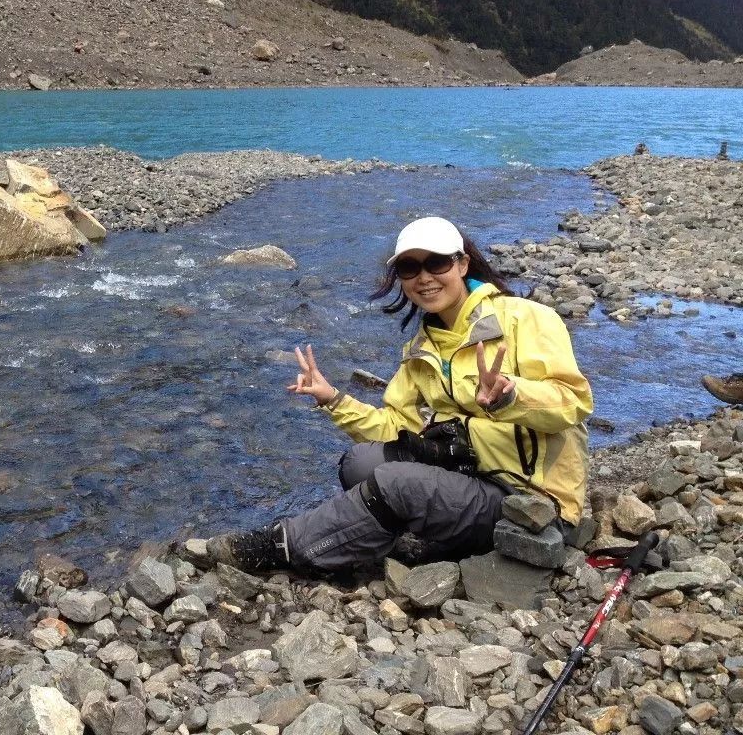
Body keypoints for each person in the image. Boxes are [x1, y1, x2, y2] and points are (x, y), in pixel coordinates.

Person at [205, 216, 593, 575]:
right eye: (410, 268)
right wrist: (333, 400)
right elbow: (396, 427)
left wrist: (514, 396)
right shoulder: (422, 349)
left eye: (437, 263)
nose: (424, 277)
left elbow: (573, 402)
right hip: (472, 477)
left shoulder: (525, 318)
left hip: (533, 502)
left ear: (461, 264)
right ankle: (398, 537)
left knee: (396, 484)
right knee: (360, 464)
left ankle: (285, 548)